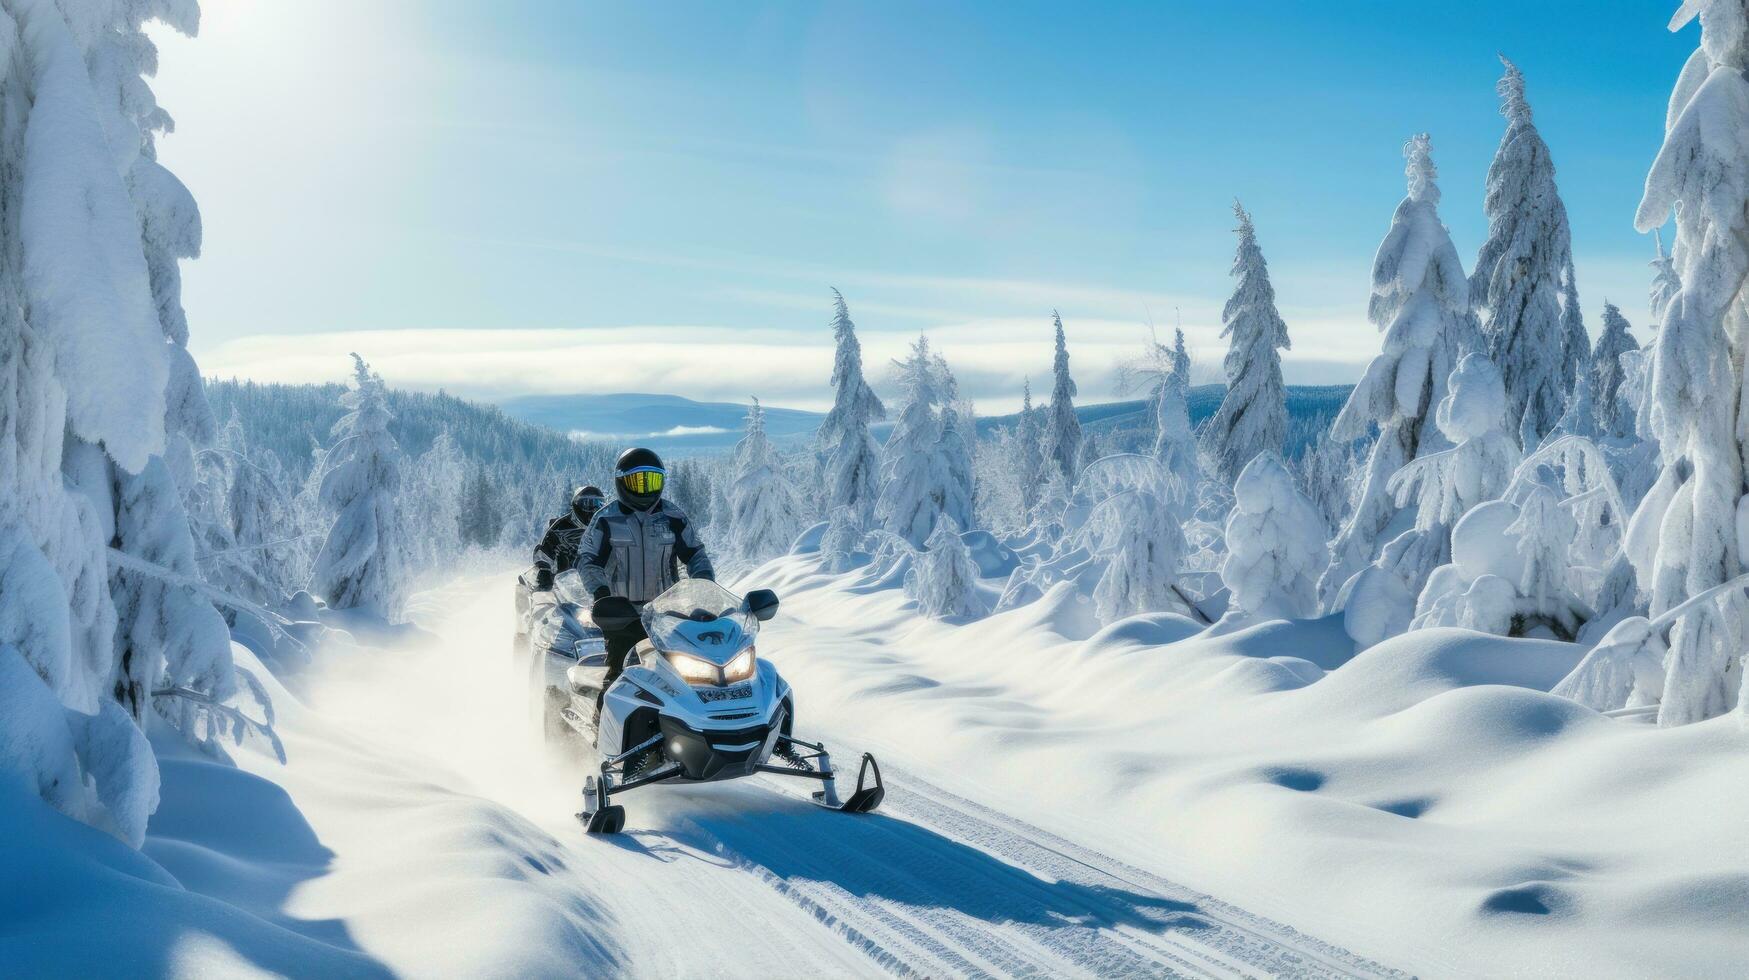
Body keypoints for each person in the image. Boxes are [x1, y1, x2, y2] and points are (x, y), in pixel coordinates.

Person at [578, 448, 714, 719]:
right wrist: (603, 594)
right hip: (622, 616)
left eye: (651, 481)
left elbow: (695, 553)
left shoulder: (673, 517)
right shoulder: (606, 519)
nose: (644, 489)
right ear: (621, 482)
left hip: (667, 614)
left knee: (690, 677)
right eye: (636, 481)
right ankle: (605, 735)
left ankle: (695, 727)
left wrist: (704, 586)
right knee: (620, 677)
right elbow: (587, 559)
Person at [533, 485, 607, 591]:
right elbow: (544, 550)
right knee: (539, 589)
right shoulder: (560, 526)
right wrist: (544, 569)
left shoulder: (604, 527)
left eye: (599, 504)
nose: (593, 510)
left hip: (597, 580)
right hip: (564, 583)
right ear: (576, 505)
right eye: (588, 504)